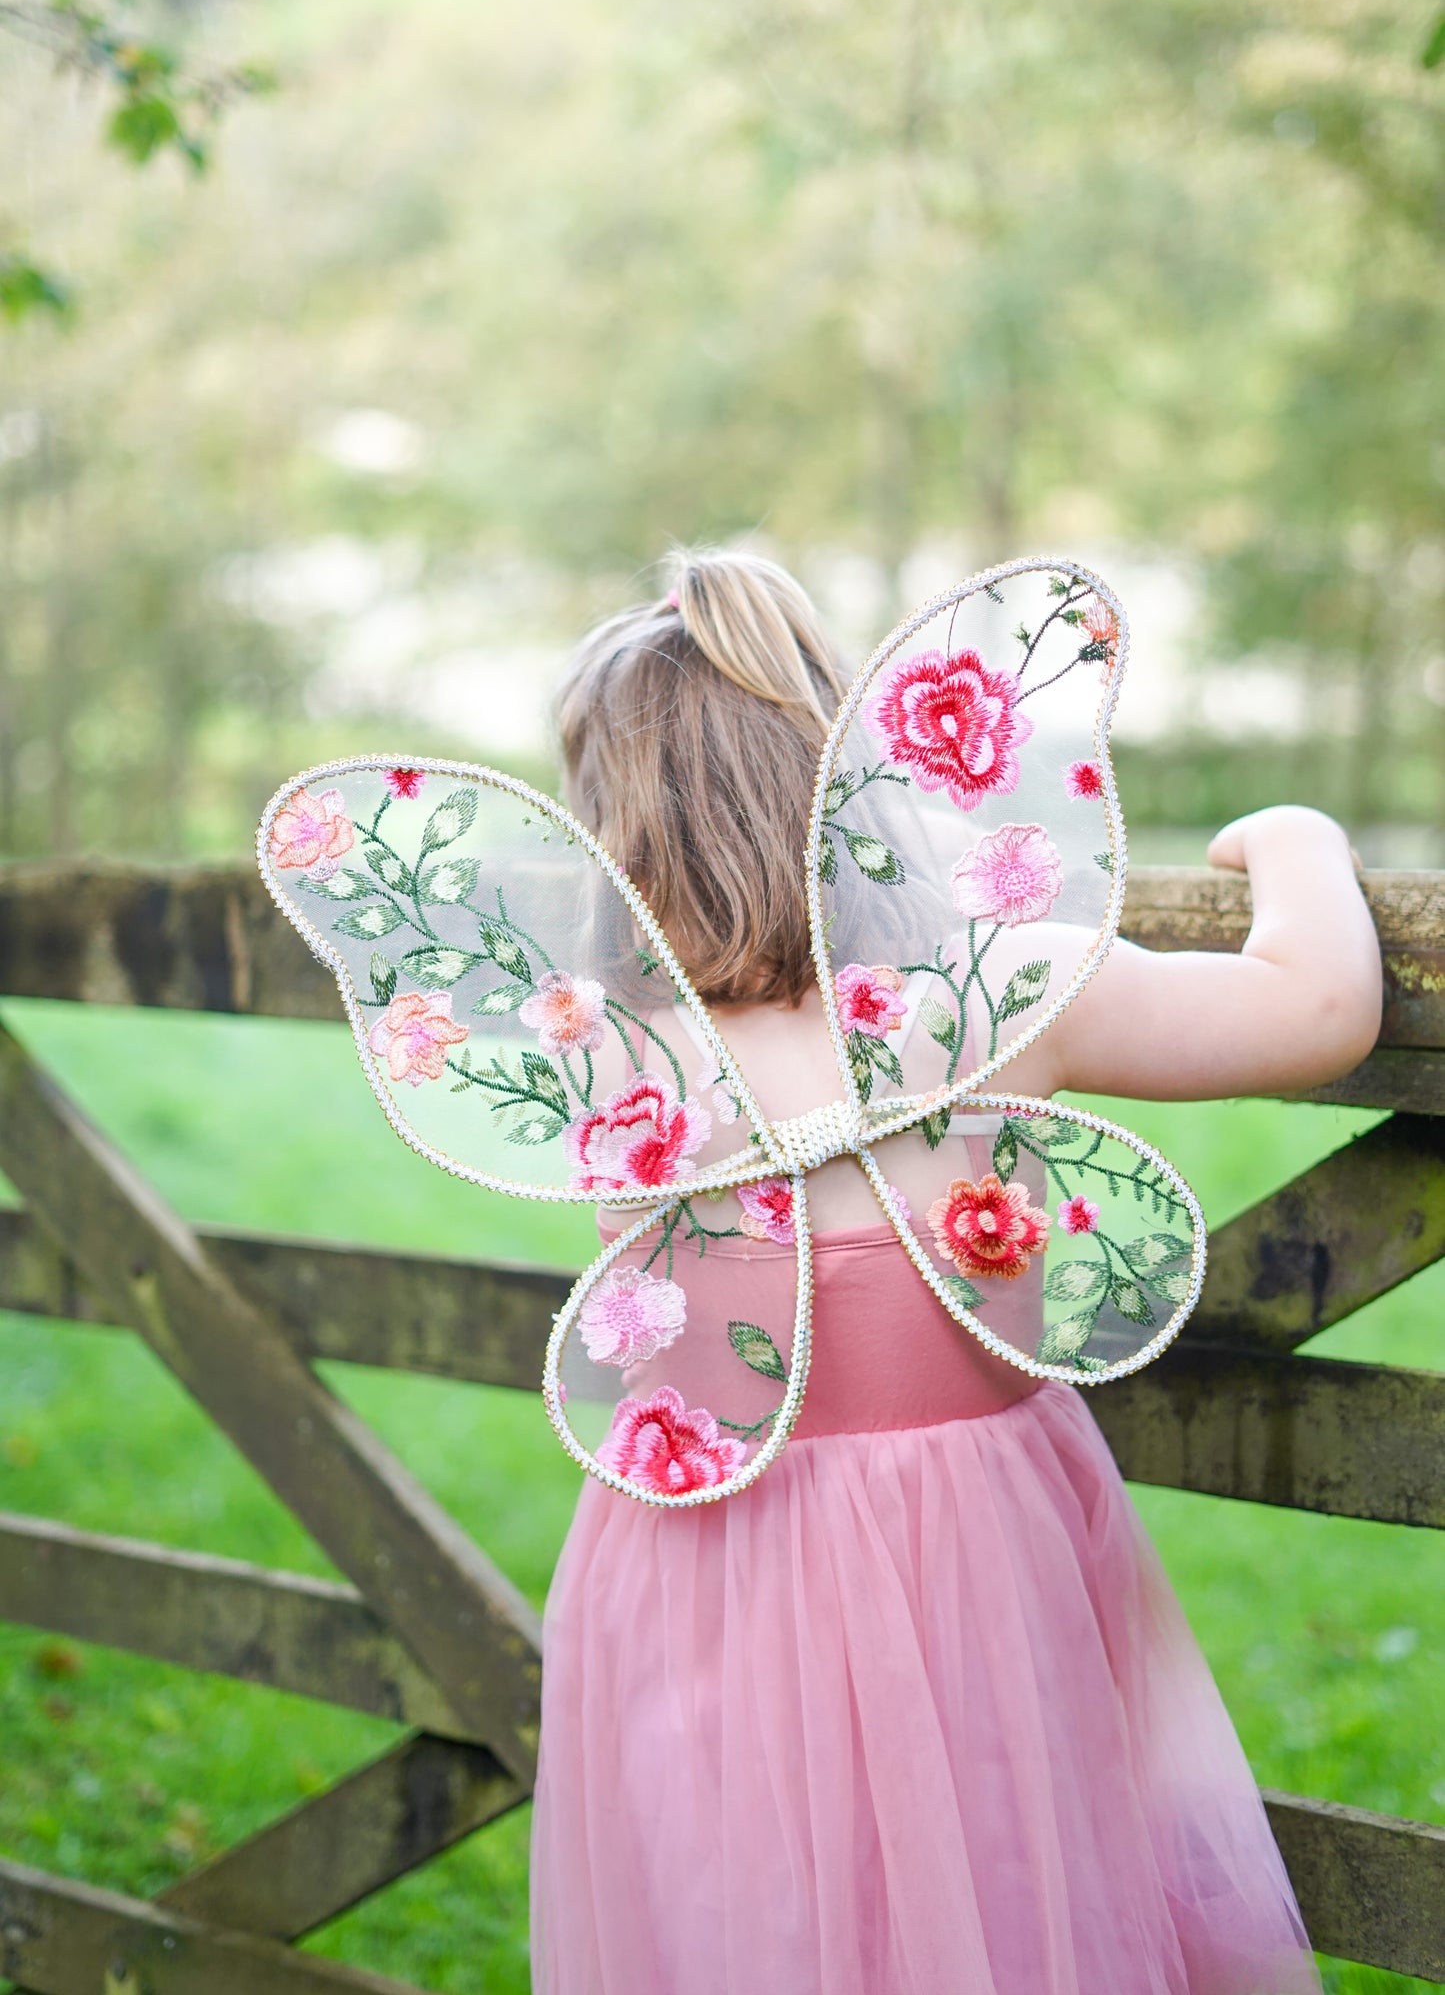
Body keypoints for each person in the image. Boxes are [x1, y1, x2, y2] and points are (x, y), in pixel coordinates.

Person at [525, 547, 1382, 1995]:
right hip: (966, 1552)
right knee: (997, 1881)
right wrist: (1294, 837)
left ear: (614, 833)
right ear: (850, 771)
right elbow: (1312, 1008)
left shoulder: (601, 1053)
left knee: (747, 1907)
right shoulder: (1001, 997)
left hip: (697, 1556)